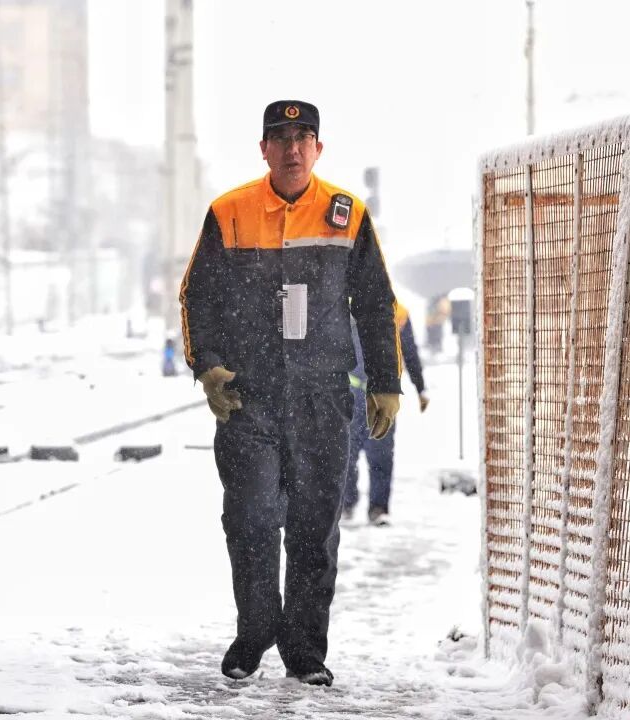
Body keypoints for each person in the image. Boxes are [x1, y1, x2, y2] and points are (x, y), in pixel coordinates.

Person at [179, 100, 402, 686]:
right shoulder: (228, 213)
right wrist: (209, 368)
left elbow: (377, 303)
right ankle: (255, 632)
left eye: (304, 137)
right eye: (281, 138)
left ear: (319, 148)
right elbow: (196, 297)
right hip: (248, 400)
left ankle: (304, 650)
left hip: (322, 400)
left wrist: (385, 383)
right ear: (264, 149)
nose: (294, 148)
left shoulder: (346, 214)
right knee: (250, 519)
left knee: (313, 527)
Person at [343, 304, 428, 526]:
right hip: (351, 391)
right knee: (346, 452)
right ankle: (347, 503)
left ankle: (378, 508)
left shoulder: (397, 312)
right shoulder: (346, 305)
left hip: (382, 393)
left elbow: (409, 351)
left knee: (379, 453)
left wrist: (420, 387)